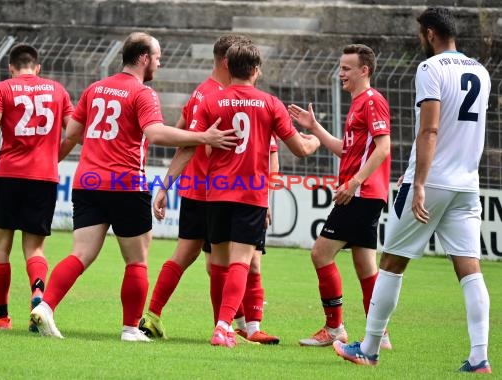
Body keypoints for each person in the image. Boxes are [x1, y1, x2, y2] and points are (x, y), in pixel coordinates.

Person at [29, 31, 237, 342]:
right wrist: (204, 137)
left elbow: (72, 132)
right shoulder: (142, 93)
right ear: (143, 58)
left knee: (80, 254)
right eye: (157, 57)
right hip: (126, 183)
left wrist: (68, 156)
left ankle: (46, 307)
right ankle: (130, 329)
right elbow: (155, 134)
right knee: (136, 260)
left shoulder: (95, 88)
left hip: (88, 182)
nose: (159, 63)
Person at [333, 7, 492, 373]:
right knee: (470, 269)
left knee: (390, 263)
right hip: (467, 184)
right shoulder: (481, 72)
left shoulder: (431, 68)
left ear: (431, 33)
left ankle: (369, 349)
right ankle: (480, 356)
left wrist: (418, 183)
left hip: (431, 180)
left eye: (421, 34)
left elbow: (431, 129)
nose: (420, 40)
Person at [139, 34, 280, 345]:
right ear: (230, 62)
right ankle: (234, 327)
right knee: (240, 260)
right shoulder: (221, 96)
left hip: (205, 190)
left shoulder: (205, 94)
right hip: (219, 191)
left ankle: (232, 325)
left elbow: (181, 132)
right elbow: (190, 142)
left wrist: (167, 184)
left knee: (203, 258)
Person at [190, 41, 320, 347]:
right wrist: (315, 140)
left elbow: (203, 145)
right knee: (241, 262)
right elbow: (300, 149)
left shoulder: (212, 101)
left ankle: (223, 325)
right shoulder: (270, 103)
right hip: (250, 194)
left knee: (219, 264)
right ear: (256, 70)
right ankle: (224, 327)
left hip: (217, 192)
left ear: (228, 67)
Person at [288, 44, 392, 348]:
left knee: (320, 253)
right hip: (363, 192)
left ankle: (335, 329)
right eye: (340, 67)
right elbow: (346, 151)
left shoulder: (372, 101)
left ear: (364, 70)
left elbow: (384, 148)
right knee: (365, 265)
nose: (340, 73)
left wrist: (354, 182)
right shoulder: (359, 103)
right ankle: (380, 335)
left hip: (360, 193)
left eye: (346, 68)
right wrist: (314, 127)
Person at [0, 44, 74, 332]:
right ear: (38, 67)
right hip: (43, 179)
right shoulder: (57, 90)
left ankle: (1, 318)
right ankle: (38, 296)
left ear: (10, 67)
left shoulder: (2, 89)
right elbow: (74, 132)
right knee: (35, 248)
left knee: (0, 248)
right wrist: (53, 156)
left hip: (9, 175)